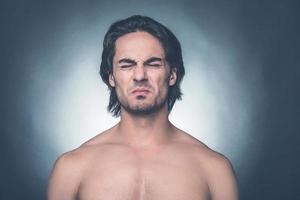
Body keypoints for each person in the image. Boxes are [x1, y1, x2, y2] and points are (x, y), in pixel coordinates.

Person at [48, 15, 239, 200]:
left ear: (172, 75)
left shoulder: (214, 170)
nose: (139, 75)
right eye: (127, 65)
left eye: (153, 64)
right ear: (111, 78)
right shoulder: (71, 169)